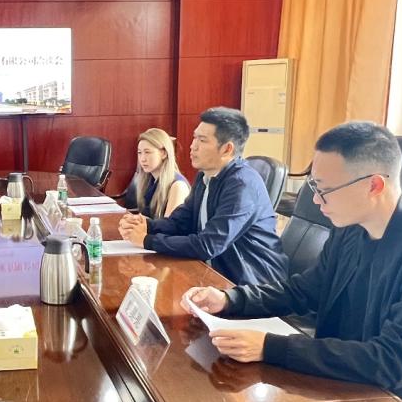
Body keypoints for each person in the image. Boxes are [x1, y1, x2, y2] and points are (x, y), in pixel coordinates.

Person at [181, 121, 402, 402]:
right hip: (348, 387)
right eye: (313, 187)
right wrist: (230, 299)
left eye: (324, 190)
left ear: (374, 186)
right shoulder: (352, 229)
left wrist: (270, 347)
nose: (316, 201)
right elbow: (306, 290)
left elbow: (397, 361)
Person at [118, 107, 288, 286]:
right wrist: (147, 225)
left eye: (202, 140)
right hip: (212, 273)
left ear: (227, 149)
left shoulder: (242, 185)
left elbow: (208, 244)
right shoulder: (204, 176)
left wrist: (147, 240)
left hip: (251, 284)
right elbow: (180, 222)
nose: (193, 146)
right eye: (194, 138)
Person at [131, 128, 190, 218]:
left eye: (147, 152)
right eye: (139, 152)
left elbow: (169, 224)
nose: (142, 159)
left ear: (164, 154)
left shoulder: (178, 186)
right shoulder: (150, 180)